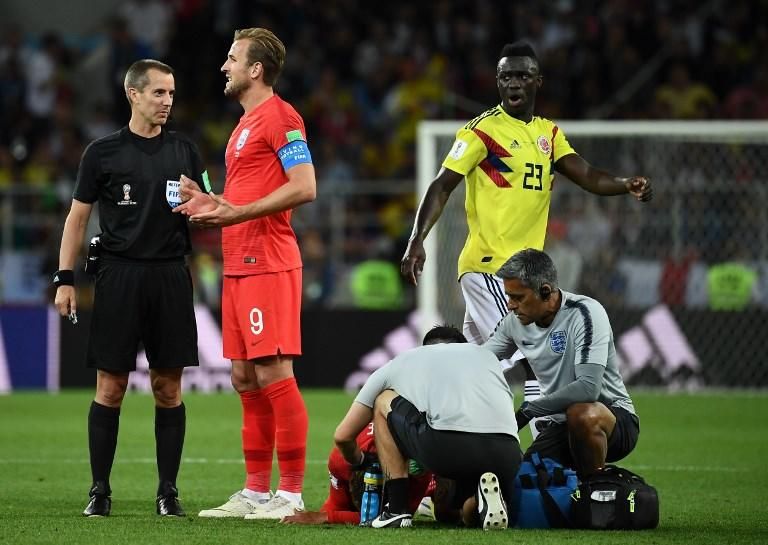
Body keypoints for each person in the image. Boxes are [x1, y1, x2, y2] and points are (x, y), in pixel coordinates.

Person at [400, 41, 653, 439]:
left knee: (469, 367)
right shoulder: (483, 130)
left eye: (521, 75)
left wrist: (624, 185)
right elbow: (442, 185)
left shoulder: (547, 134)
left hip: (520, 276)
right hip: (492, 271)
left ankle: (436, 468)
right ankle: (544, 455)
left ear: (537, 81)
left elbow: (586, 175)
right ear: (498, 83)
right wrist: (418, 240)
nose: (513, 83)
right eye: (505, 76)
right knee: (539, 361)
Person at [173, 28, 317, 519]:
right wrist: (209, 201)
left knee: (273, 372)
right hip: (238, 264)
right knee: (242, 377)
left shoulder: (282, 118)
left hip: (269, 262)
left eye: (232, 58)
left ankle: (291, 495)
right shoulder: (242, 126)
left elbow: (304, 187)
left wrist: (235, 213)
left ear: (256, 70)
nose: (223, 66)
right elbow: (242, 202)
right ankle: (256, 492)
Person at [53, 59, 205, 517]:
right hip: (117, 275)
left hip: (170, 276)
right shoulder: (101, 153)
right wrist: (65, 279)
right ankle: (99, 490)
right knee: (111, 385)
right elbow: (77, 217)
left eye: (172, 94)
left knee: (168, 387)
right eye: (159, 93)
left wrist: (201, 199)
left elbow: (212, 205)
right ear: (133, 94)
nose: (167, 102)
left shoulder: (186, 151)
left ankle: (168, 491)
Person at [333, 326, 521, 529]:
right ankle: (477, 503)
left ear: (424, 348)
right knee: (454, 513)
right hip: (509, 455)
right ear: (465, 346)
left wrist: (360, 460)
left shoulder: (405, 360)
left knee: (382, 401)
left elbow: (343, 436)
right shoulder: (487, 358)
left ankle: (396, 509)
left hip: (448, 448)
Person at [483, 249, 639, 477]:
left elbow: (588, 388)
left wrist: (530, 410)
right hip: (560, 426)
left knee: (582, 414)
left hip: (612, 420)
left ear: (546, 292)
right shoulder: (513, 323)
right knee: (525, 485)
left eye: (518, 297)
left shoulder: (585, 313)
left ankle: (594, 492)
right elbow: (480, 359)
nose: (510, 305)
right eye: (509, 296)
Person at [281, 423, 433, 525]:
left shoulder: (414, 472)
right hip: (381, 429)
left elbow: (400, 515)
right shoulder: (339, 462)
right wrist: (321, 515)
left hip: (426, 445)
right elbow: (335, 506)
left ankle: (431, 493)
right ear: (350, 486)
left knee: (447, 511)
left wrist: (327, 517)